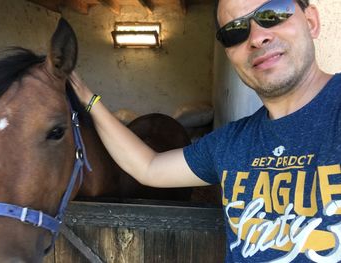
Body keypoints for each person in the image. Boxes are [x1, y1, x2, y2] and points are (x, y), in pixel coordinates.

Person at [70, 0, 341, 261]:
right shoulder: (230, 143)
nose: (257, 37)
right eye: (235, 30)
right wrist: (88, 99)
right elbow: (148, 166)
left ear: (311, 21)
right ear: (230, 55)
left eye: (273, 14)